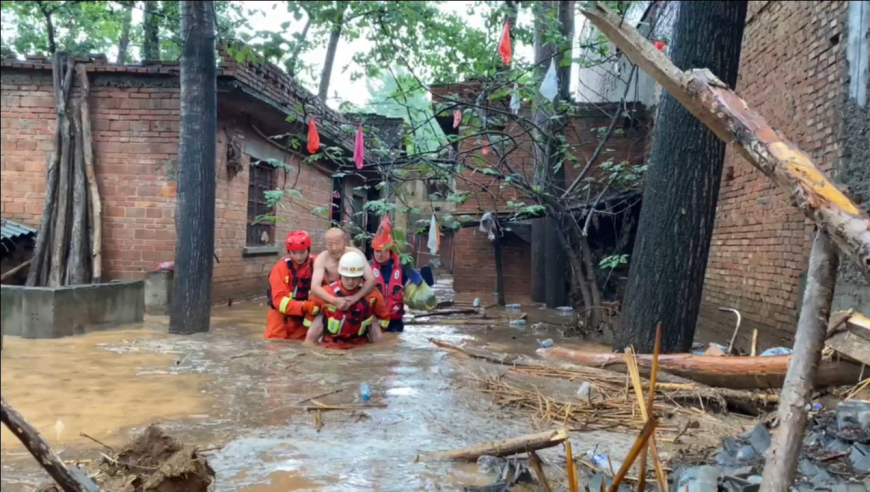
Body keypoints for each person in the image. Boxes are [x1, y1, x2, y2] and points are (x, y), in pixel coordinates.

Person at [303, 251, 389, 349]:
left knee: (372, 319)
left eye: (355, 278)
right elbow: (309, 314)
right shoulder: (327, 292)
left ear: (361, 276)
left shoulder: (372, 295)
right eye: (347, 277)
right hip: (332, 344)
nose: (350, 282)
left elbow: (384, 317)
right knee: (320, 316)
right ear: (340, 274)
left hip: (360, 344)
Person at [264, 230, 318, 340]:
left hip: (304, 322)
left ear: (308, 249)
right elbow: (279, 301)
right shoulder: (280, 268)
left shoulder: (318, 264)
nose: (298, 257)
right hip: (280, 322)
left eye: (302, 252)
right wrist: (304, 306)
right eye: (294, 253)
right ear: (289, 252)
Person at [370, 231, 423, 333]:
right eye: (376, 251)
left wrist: (418, 277)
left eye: (383, 251)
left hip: (395, 321)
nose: (379, 254)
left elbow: (419, 282)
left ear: (390, 251)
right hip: (374, 320)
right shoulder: (367, 268)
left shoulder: (402, 267)